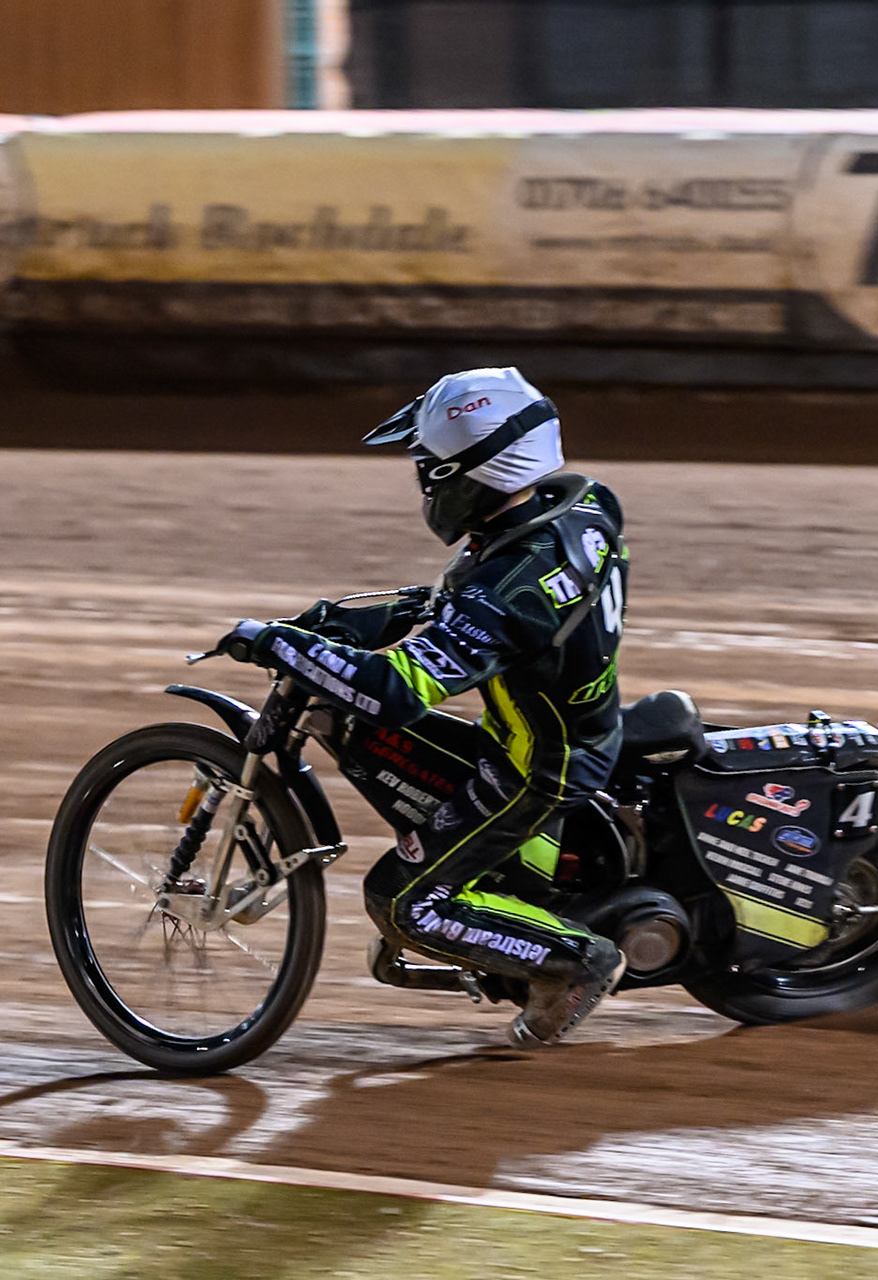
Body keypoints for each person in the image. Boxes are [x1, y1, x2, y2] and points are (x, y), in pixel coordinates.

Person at [217, 367, 632, 1045]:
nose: (422, 482)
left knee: (401, 902)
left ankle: (580, 961)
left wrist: (276, 644)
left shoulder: (512, 589)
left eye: (427, 467)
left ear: (467, 474)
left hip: (541, 767)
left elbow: (398, 694)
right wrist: (359, 619)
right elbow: (467, 597)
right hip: (566, 726)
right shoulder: (580, 507)